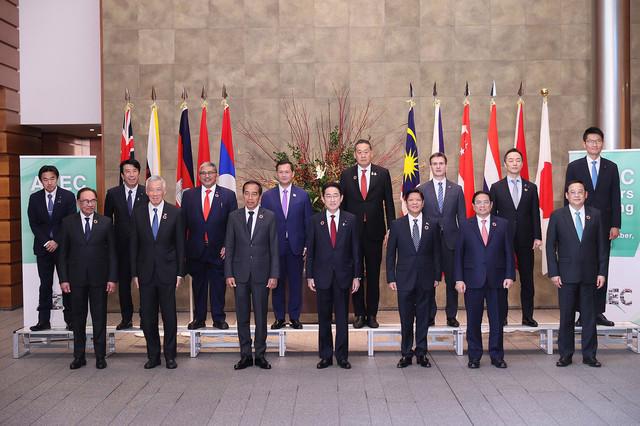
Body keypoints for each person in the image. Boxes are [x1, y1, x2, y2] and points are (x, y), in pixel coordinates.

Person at [546, 180, 606, 368]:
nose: (577, 195)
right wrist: (554, 272)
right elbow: (550, 246)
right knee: (566, 316)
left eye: (580, 192)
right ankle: (565, 354)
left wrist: (602, 272)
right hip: (565, 275)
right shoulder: (557, 216)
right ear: (567, 195)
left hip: (590, 274)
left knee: (589, 317)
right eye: (573, 192)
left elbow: (602, 247)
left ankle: (590, 355)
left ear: (586, 194)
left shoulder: (595, 215)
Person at [564, 127, 620, 326]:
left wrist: (615, 224)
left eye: (598, 141)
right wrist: (567, 225)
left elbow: (615, 197)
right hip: (580, 224)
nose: (594, 144)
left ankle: (598, 312)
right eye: (590, 141)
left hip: (604, 226)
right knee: (581, 267)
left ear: (602, 143)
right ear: (584, 144)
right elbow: (568, 196)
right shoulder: (575, 167)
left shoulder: (611, 167)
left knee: (601, 266)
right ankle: (582, 313)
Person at [57, 187, 117, 369]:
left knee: (99, 318)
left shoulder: (106, 222)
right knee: (78, 319)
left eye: (92, 201)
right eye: (85, 201)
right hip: (75, 280)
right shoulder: (68, 223)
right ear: (78, 202)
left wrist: (112, 278)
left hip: (100, 280)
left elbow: (113, 254)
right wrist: (63, 279)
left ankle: (100, 356)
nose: (89, 204)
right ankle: (79, 356)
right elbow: (62, 254)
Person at [455, 191, 515, 369]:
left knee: (496, 320)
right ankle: (474, 356)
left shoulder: (502, 224)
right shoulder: (465, 225)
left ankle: (497, 356)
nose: (482, 205)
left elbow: (508, 252)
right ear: (473, 206)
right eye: (478, 203)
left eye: (485, 202)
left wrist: (510, 275)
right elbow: (458, 255)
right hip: (472, 280)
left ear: (491, 205)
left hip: (497, 279)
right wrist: (459, 279)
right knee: (473, 320)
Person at [339, 139, 395, 329]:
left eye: (366, 151)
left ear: (371, 153)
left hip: (375, 231)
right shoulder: (346, 175)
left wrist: (391, 228)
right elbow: (342, 205)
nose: (362, 155)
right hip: (352, 233)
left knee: (372, 274)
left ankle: (371, 314)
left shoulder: (382, 173)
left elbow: (389, 202)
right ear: (355, 154)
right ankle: (359, 314)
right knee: (356, 273)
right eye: (359, 152)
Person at [130, 176, 184, 369]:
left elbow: (180, 245)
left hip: (168, 272)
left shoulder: (175, 213)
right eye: (151, 190)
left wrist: (180, 273)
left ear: (164, 191)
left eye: (158, 190)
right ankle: (153, 356)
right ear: (147, 192)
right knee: (148, 317)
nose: (154, 194)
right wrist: (134, 273)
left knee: (169, 316)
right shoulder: (138, 213)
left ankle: (170, 355)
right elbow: (134, 245)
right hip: (145, 274)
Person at [224, 181, 279, 370]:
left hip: (262, 276)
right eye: (246, 193)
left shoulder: (270, 217)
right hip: (239, 275)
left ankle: (261, 355)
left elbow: (274, 249)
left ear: (260, 196)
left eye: (254, 194)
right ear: (242, 195)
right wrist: (228, 273)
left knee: (261, 316)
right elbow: (229, 247)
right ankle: (245, 355)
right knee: (242, 316)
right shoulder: (234, 217)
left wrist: (274, 275)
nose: (250, 198)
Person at [306, 182, 360, 369]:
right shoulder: (315, 220)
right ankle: (326, 356)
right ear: (322, 199)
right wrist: (310, 275)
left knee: (343, 318)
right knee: (324, 318)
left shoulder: (350, 219)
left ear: (341, 198)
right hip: (322, 276)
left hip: (344, 276)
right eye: (328, 196)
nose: (332, 199)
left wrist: (357, 276)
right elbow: (311, 250)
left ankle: (342, 356)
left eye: (335, 195)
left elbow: (355, 249)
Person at [386, 188, 440, 368]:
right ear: (406, 203)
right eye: (411, 200)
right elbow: (390, 254)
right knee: (406, 318)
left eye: (418, 200)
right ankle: (406, 353)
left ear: (423, 203)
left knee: (424, 317)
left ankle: (422, 353)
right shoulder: (396, 225)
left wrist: (437, 275)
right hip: (404, 278)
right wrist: (391, 277)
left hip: (426, 278)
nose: (415, 203)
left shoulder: (432, 224)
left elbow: (436, 253)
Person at [489, 148, 542, 327]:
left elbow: (535, 213)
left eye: (517, 160)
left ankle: (528, 316)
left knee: (527, 278)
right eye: (510, 160)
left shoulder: (531, 187)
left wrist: (537, 236)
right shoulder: (496, 187)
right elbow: (492, 215)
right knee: (502, 277)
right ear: (505, 164)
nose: (514, 163)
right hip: (503, 239)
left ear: (522, 163)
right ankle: (502, 316)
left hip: (526, 239)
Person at [181, 162, 237, 330]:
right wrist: (183, 249)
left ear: (216, 174)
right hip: (196, 250)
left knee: (218, 287)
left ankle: (219, 318)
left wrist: (228, 245)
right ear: (199, 176)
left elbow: (233, 224)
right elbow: (183, 225)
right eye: (203, 173)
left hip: (218, 250)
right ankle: (199, 318)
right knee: (198, 286)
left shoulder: (228, 195)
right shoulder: (189, 195)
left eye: (210, 173)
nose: (207, 176)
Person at [261, 159, 312, 330]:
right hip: (275, 248)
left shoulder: (303, 195)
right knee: (277, 283)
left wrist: (307, 245)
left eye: (287, 172)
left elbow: (308, 223)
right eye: (281, 172)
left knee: (296, 283)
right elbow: (264, 224)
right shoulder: (267, 196)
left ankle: (295, 317)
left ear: (293, 174)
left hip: (296, 247)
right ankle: (280, 317)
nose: (284, 174)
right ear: (277, 174)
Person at [418, 152, 466, 327]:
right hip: (430, 242)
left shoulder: (457, 189)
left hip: (451, 242)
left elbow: (462, 218)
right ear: (430, 167)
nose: (438, 166)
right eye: (434, 164)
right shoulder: (422, 189)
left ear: (446, 166)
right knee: (429, 280)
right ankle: (430, 315)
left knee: (452, 280)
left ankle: (451, 315)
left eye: (441, 163)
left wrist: (463, 243)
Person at [27, 165, 77, 331]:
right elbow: (34, 223)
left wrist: (56, 240)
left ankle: (70, 320)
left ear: (57, 178)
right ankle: (43, 320)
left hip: (63, 248)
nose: (49, 182)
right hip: (43, 249)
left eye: (52, 178)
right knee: (45, 284)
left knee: (66, 283)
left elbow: (69, 223)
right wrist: (46, 242)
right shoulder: (34, 198)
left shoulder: (68, 196)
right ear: (41, 180)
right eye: (45, 179)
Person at [103, 159, 148, 330]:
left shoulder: (147, 192)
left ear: (139, 173)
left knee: (145, 285)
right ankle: (126, 318)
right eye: (127, 171)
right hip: (121, 248)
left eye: (134, 171)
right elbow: (107, 221)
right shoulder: (113, 193)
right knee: (124, 287)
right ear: (122, 175)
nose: (131, 174)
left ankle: (146, 317)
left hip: (143, 248)